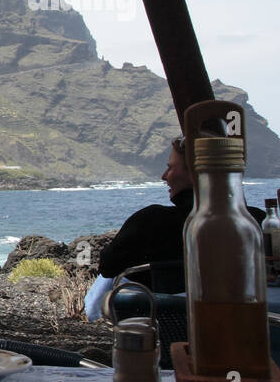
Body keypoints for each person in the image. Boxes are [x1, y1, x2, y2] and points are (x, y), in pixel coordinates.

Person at [86, 135, 265, 318]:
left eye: (170, 168)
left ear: (194, 173)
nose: (164, 176)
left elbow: (107, 267)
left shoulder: (151, 221)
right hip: (243, 324)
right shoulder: (256, 222)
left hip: (163, 328)